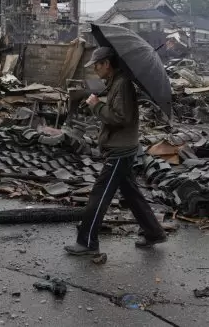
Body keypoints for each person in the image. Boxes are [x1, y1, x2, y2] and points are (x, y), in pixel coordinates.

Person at [64, 46, 167, 256]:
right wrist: (98, 103)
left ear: (107, 64)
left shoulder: (122, 84)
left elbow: (121, 118)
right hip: (123, 148)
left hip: (120, 151)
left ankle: (87, 242)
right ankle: (153, 232)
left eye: (96, 65)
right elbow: (117, 112)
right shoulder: (116, 83)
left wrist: (96, 107)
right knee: (132, 195)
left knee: (99, 195)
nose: (95, 69)